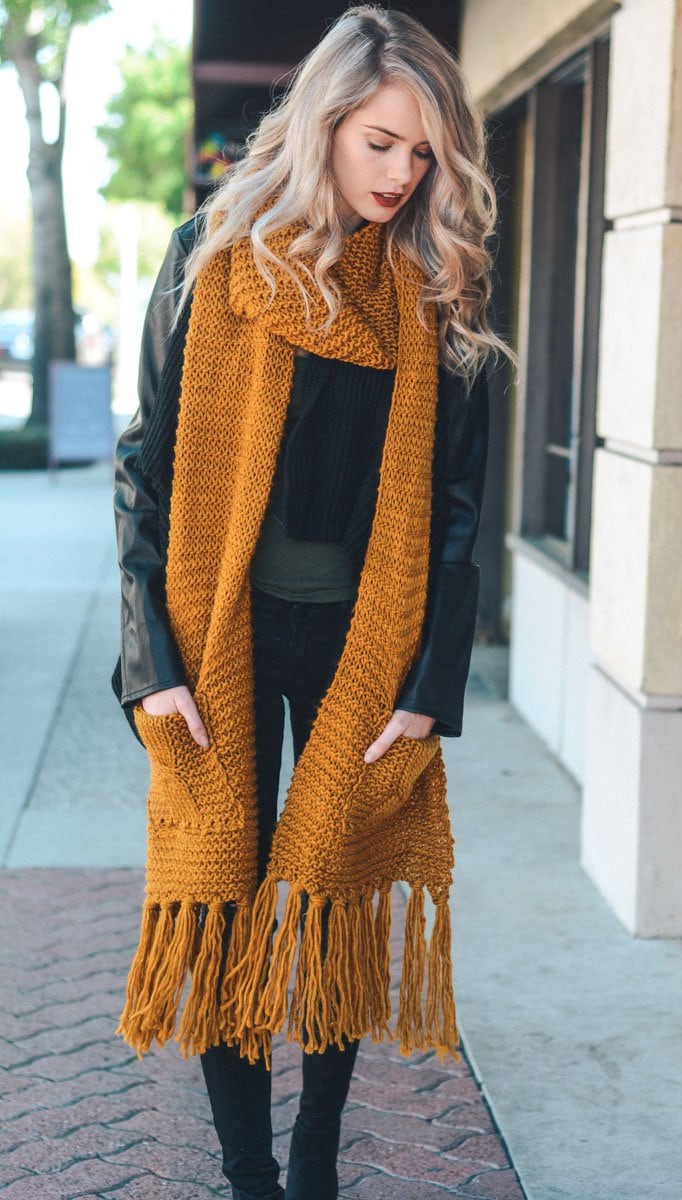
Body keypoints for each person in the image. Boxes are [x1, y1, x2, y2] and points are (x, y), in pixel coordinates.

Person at [112, 7, 511, 1199]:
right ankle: (247, 1177)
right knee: (225, 903)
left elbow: (454, 515)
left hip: (361, 653)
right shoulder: (211, 259)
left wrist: (431, 691)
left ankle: (315, 1161)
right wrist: (150, 659)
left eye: (424, 154)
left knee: (328, 902)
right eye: (383, 143)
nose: (401, 174)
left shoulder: (433, 300)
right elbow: (146, 467)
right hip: (216, 640)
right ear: (328, 123)